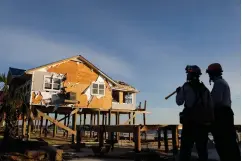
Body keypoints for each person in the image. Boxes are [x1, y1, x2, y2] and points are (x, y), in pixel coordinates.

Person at [176, 65, 214, 161]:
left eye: (188, 73)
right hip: (202, 124)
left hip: (190, 123)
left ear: (190, 74)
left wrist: (178, 92)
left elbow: (179, 102)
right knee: (202, 150)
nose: (187, 75)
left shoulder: (186, 87)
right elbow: (210, 106)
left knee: (185, 150)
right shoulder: (205, 90)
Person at [206, 63, 240, 161]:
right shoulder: (222, 82)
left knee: (223, 143)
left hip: (222, 115)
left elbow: (216, 101)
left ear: (213, 73)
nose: (209, 76)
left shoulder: (219, 83)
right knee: (229, 142)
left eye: (210, 73)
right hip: (225, 114)